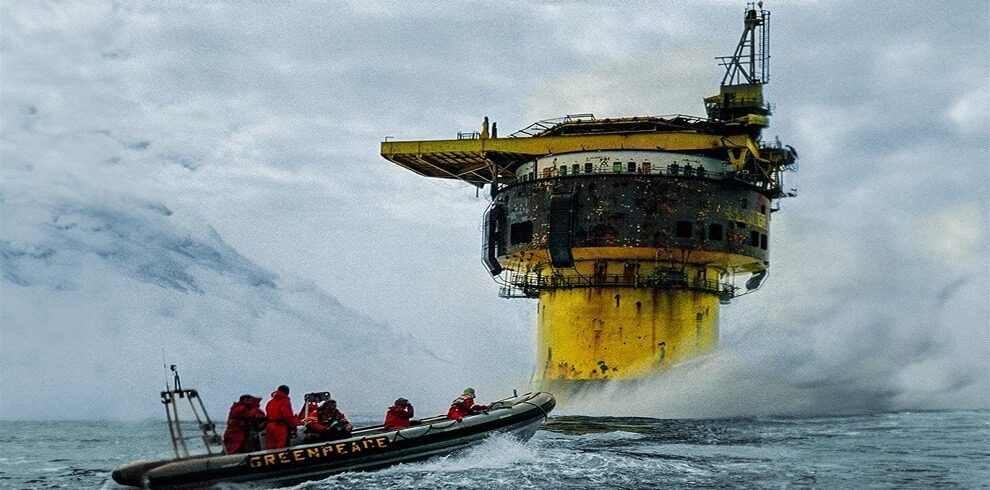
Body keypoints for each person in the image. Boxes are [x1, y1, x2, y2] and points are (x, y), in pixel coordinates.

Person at [265, 385, 300, 449]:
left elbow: (268, 414)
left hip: (269, 426)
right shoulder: (285, 401)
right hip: (280, 427)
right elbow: (288, 415)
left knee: (270, 448)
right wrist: (293, 426)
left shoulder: (270, 402)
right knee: (281, 448)